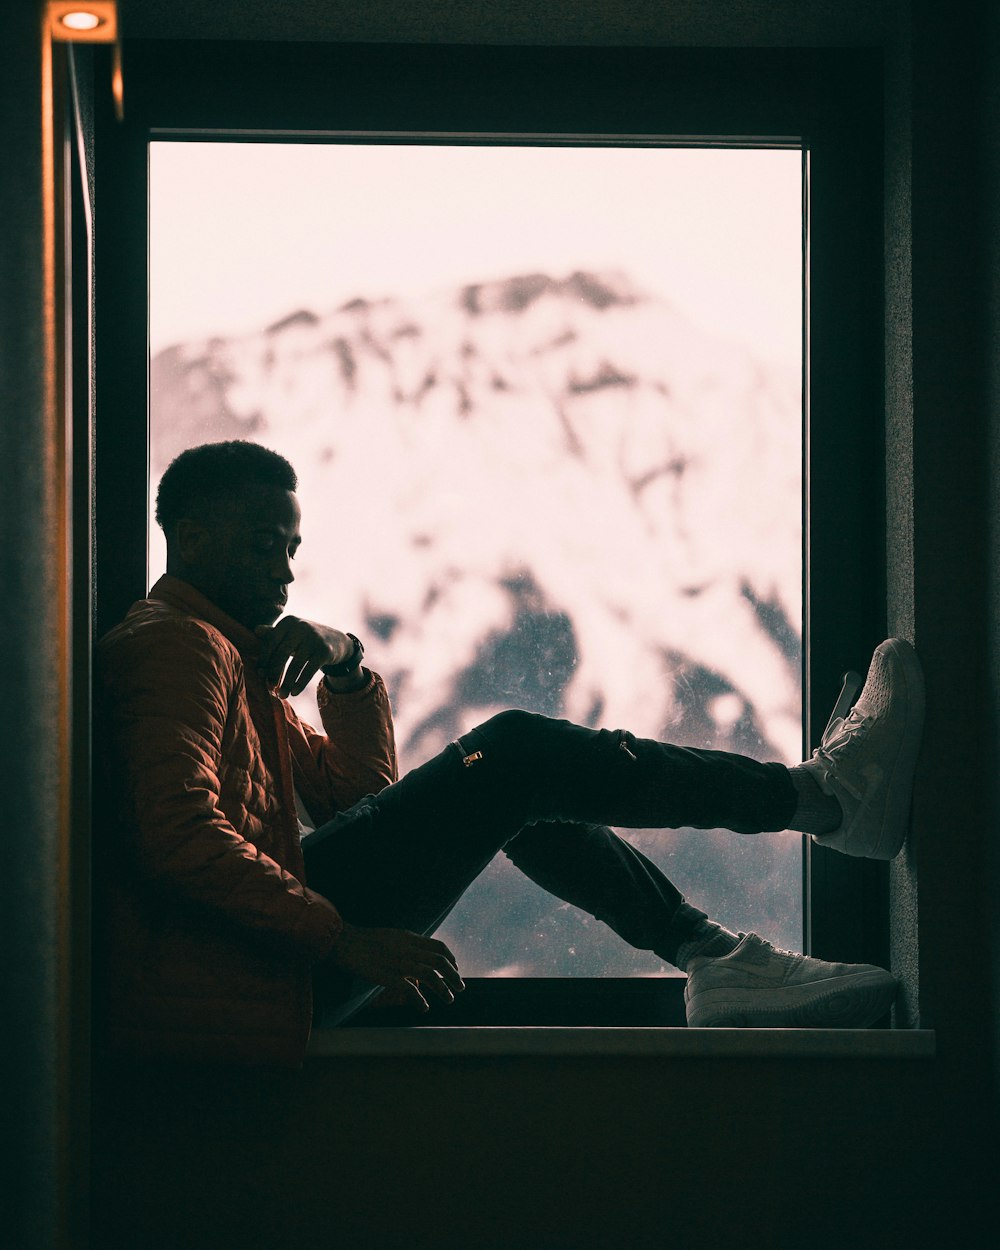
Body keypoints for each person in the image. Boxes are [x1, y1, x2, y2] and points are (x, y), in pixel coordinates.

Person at [95, 440, 925, 1066]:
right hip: (258, 970)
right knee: (514, 753)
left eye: (291, 549)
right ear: (191, 535)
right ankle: (821, 801)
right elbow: (179, 836)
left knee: (502, 781)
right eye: (261, 543)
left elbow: (361, 799)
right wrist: (340, 938)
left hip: (263, 964)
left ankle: (714, 955)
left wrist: (345, 668)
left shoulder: (237, 660)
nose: (283, 572)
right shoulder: (179, 648)